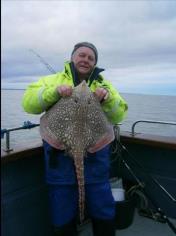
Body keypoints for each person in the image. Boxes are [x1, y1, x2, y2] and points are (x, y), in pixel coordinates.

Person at [22, 42, 128, 236]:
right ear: (72, 57)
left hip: (96, 156)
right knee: (62, 207)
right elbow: (28, 103)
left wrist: (107, 99)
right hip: (59, 155)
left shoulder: (103, 85)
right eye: (82, 55)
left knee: (102, 205)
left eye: (91, 58)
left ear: (95, 63)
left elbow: (119, 115)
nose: (85, 60)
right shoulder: (53, 80)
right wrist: (53, 93)